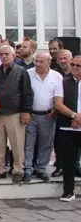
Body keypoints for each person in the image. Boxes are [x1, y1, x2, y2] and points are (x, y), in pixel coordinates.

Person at [0, 45, 33, 183]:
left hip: (15, 113)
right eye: (1, 54)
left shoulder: (21, 71)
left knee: (17, 144)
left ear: (14, 55)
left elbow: (27, 93)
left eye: (6, 54)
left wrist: (26, 111)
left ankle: (18, 170)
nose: (4, 56)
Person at [24, 51, 62, 183]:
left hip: (48, 116)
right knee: (28, 144)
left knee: (46, 144)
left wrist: (56, 109)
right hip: (31, 115)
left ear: (49, 62)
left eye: (41, 62)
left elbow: (60, 96)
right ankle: (28, 169)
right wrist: (25, 111)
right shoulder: (28, 74)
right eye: (36, 61)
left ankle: (41, 169)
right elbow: (23, 94)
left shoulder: (56, 76)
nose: (38, 64)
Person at [53, 54, 81, 202]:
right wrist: (74, 116)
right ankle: (68, 191)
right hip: (67, 128)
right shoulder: (63, 83)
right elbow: (58, 104)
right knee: (68, 162)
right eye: (73, 65)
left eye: (78, 66)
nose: (74, 68)